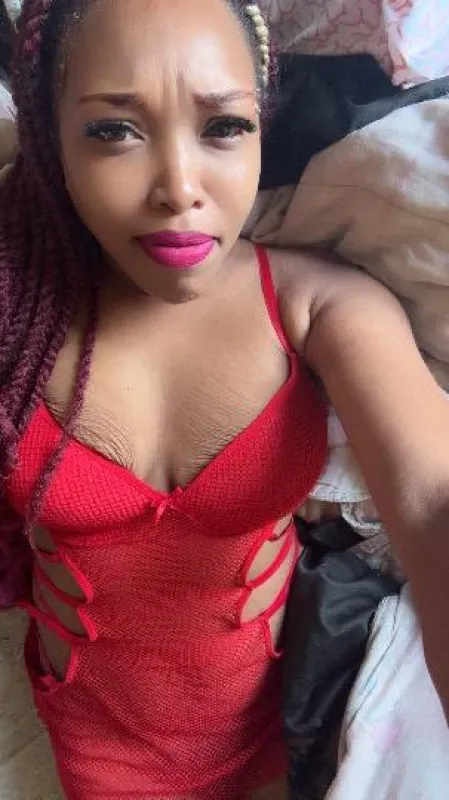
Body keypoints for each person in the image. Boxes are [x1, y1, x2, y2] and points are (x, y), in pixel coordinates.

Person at [1, 0, 449, 798]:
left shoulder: (318, 306)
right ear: (50, 140)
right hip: (97, 735)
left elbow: (431, 499)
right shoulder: (14, 318)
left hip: (280, 716)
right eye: (113, 130)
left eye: (223, 127)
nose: (179, 188)